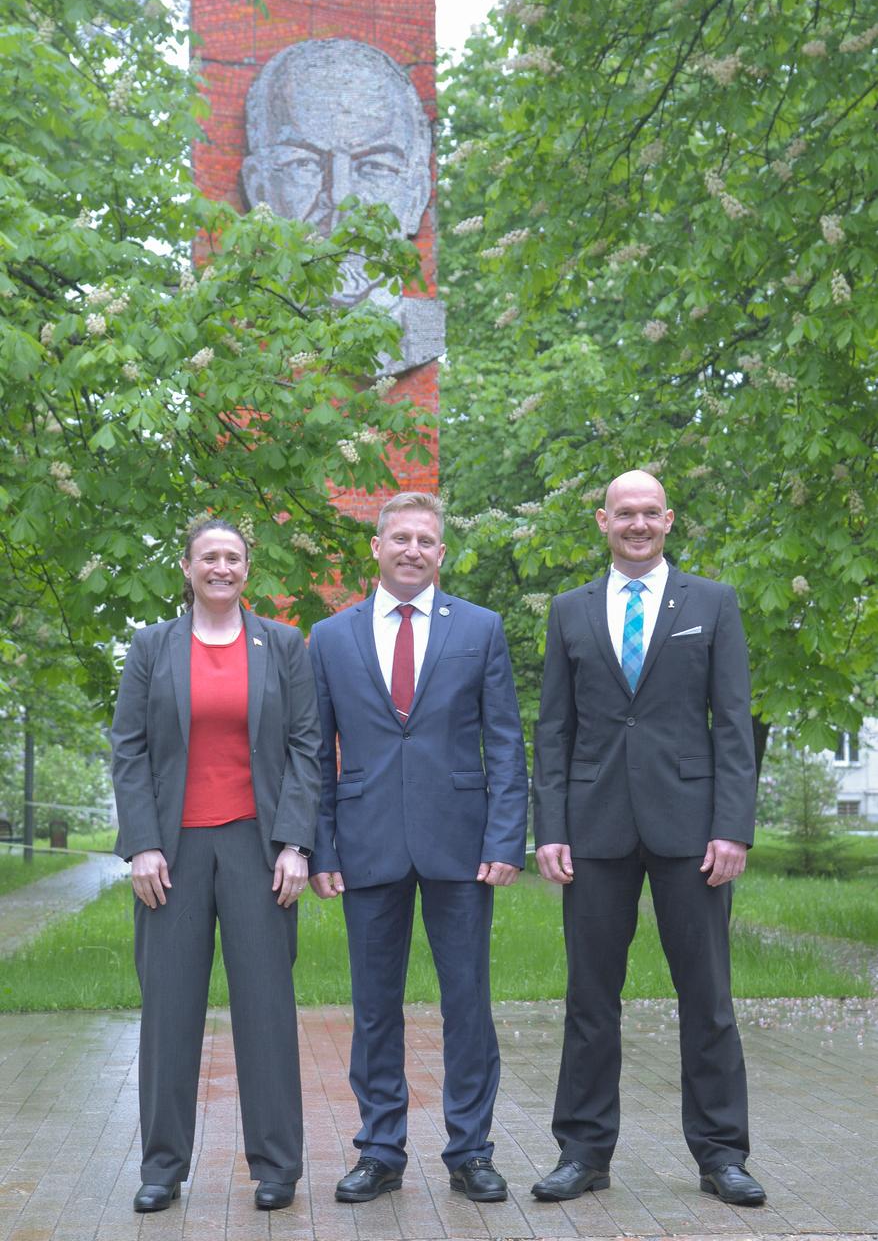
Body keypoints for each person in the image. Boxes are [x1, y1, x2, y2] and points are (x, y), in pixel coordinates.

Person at [530, 470, 766, 1209]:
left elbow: (732, 725)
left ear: (669, 520)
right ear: (602, 521)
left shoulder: (714, 604)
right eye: (622, 514)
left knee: (708, 997)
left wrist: (733, 826)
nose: (636, 524)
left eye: (648, 514)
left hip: (691, 830)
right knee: (590, 999)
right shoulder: (570, 611)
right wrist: (551, 829)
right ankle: (583, 1151)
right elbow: (554, 730)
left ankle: (722, 1153)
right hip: (594, 828)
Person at [308, 491, 528, 1204]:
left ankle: (470, 1151)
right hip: (367, 842)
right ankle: (380, 1150)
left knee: (468, 1002)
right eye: (399, 537)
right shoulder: (330, 637)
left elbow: (505, 741)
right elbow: (316, 753)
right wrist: (322, 846)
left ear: (441, 553)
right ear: (376, 547)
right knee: (374, 1007)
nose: (412, 549)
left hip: (462, 846)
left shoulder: (482, 628)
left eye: (425, 540)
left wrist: (505, 837)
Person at [111, 518, 321, 1214]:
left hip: (257, 849)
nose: (221, 567)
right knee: (169, 1010)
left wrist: (296, 843)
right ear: (187, 566)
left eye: (233, 557)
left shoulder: (283, 645)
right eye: (209, 557)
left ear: (247, 569)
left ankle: (276, 1166)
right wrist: (141, 842)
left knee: (265, 1009)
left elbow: (305, 748)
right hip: (171, 854)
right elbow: (131, 750)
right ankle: (163, 1168)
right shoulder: (151, 647)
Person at [241, 38, 444, 373]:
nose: (339, 198)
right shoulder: (232, 328)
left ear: (416, 196)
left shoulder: (426, 333)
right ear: (258, 189)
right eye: (303, 164)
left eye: (375, 166)